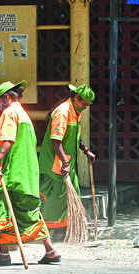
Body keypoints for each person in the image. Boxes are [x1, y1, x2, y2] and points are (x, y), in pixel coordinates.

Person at [0, 80, 60, 267]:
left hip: (11, 172)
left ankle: (4, 255)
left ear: (6, 98)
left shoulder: (9, 113)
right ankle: (50, 250)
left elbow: (7, 140)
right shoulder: (23, 114)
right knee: (28, 211)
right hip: (26, 173)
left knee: (3, 210)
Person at [39, 84, 96, 239]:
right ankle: (46, 230)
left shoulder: (76, 112)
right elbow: (56, 141)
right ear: (76, 98)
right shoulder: (62, 112)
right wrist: (64, 162)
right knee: (56, 197)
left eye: (86, 106)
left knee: (72, 195)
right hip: (54, 163)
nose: (84, 108)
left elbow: (75, 136)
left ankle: (65, 229)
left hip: (66, 163)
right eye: (83, 104)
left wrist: (86, 150)